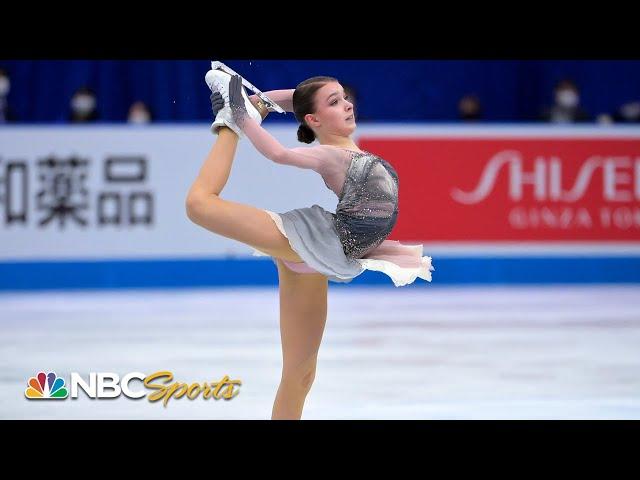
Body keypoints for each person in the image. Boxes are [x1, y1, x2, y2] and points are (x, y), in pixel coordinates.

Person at [185, 68, 434, 419]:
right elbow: (277, 154)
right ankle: (226, 127)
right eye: (335, 102)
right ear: (315, 120)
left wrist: (261, 102)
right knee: (199, 205)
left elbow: (302, 101)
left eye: (345, 98)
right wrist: (238, 114)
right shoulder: (329, 154)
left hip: (320, 258)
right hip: (317, 241)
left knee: (301, 375)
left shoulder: (344, 143)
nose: (347, 105)